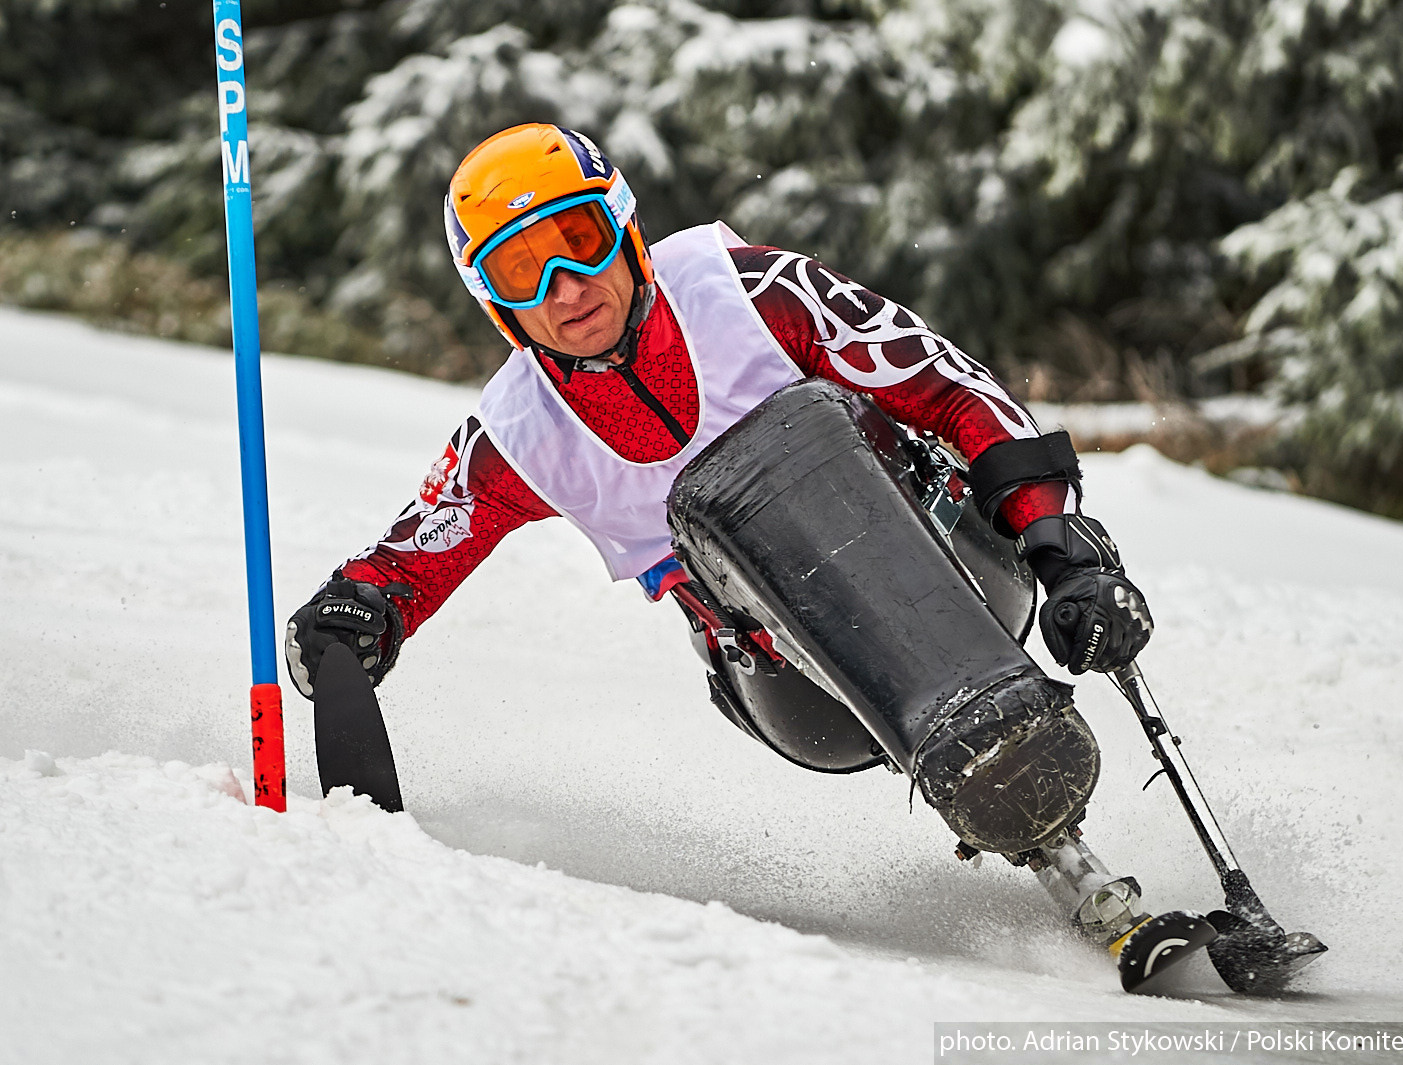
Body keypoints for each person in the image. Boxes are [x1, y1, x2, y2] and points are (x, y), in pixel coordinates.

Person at [283, 123, 1153, 870]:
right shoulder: (521, 434)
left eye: (577, 244)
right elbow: (409, 557)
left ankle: (1023, 780)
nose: (566, 290)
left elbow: (950, 387)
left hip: (958, 576)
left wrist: (1058, 544)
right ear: (497, 306)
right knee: (722, 494)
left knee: (799, 425)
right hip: (803, 691)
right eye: (521, 273)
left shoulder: (751, 294)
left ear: (624, 230)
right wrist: (355, 615)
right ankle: (990, 757)